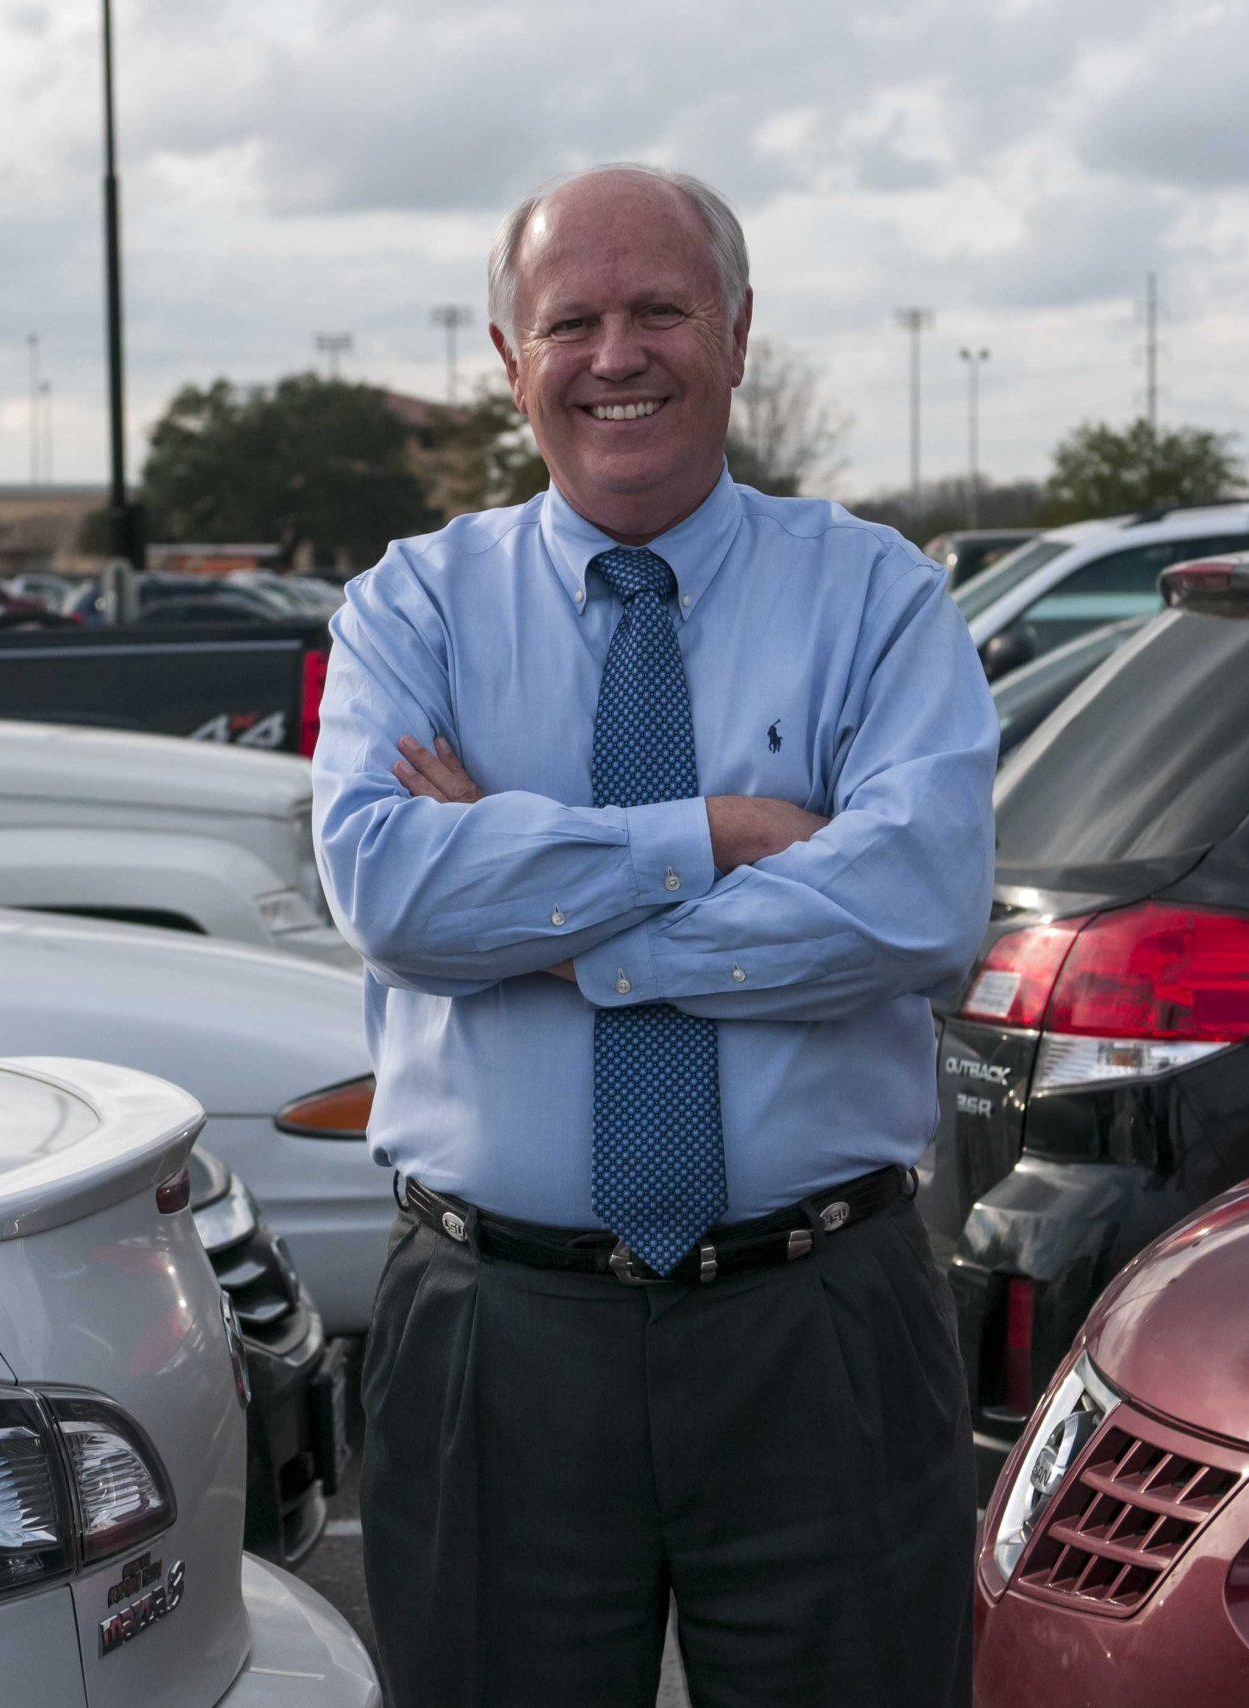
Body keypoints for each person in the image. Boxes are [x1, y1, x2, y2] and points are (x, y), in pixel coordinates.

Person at [310, 162, 996, 1706]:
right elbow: (393, 894)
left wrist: (548, 918)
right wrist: (722, 834)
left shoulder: (881, 601)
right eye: (572, 321)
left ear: (739, 334)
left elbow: (916, 909)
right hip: (496, 1334)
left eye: (661, 309)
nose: (617, 355)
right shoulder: (410, 608)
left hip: (820, 1328)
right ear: (510, 361)